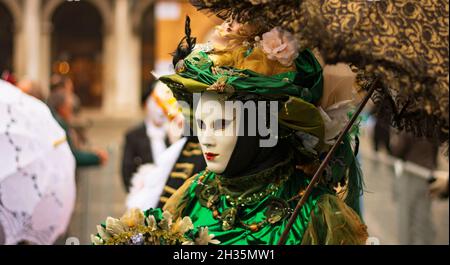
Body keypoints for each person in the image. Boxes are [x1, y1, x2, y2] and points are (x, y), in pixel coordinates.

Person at [153, 18, 368, 245]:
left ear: (259, 125)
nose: (205, 139)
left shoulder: (312, 212)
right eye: (202, 125)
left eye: (221, 124)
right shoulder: (195, 194)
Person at [47, 89, 108, 167]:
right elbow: (69, 155)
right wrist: (96, 158)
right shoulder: (59, 126)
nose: (71, 111)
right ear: (62, 108)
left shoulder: (54, 122)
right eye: (69, 107)